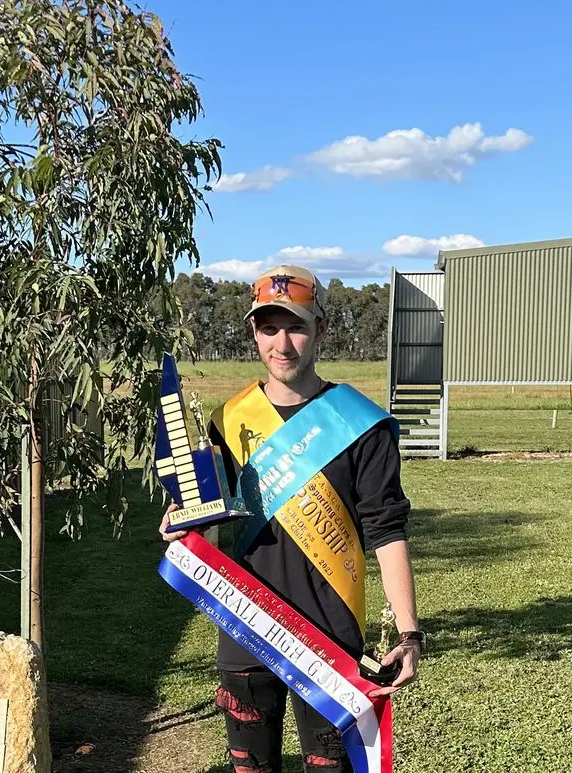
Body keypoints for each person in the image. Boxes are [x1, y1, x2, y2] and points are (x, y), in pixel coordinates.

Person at [160, 264, 422, 773]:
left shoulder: (360, 426)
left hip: (330, 639)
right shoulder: (227, 422)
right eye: (269, 328)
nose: (282, 344)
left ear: (321, 328)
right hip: (245, 629)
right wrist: (181, 522)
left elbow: (387, 531)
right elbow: (207, 516)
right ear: (254, 333)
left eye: (295, 327)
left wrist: (409, 635)